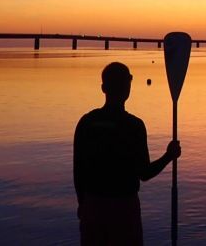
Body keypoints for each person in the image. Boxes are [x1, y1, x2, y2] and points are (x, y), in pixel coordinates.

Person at [74, 61, 181, 246]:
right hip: (124, 207)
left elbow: (78, 171)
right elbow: (144, 173)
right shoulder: (134, 126)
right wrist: (168, 156)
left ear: (103, 88)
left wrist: (82, 203)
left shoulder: (86, 122)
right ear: (127, 88)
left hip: (92, 205)